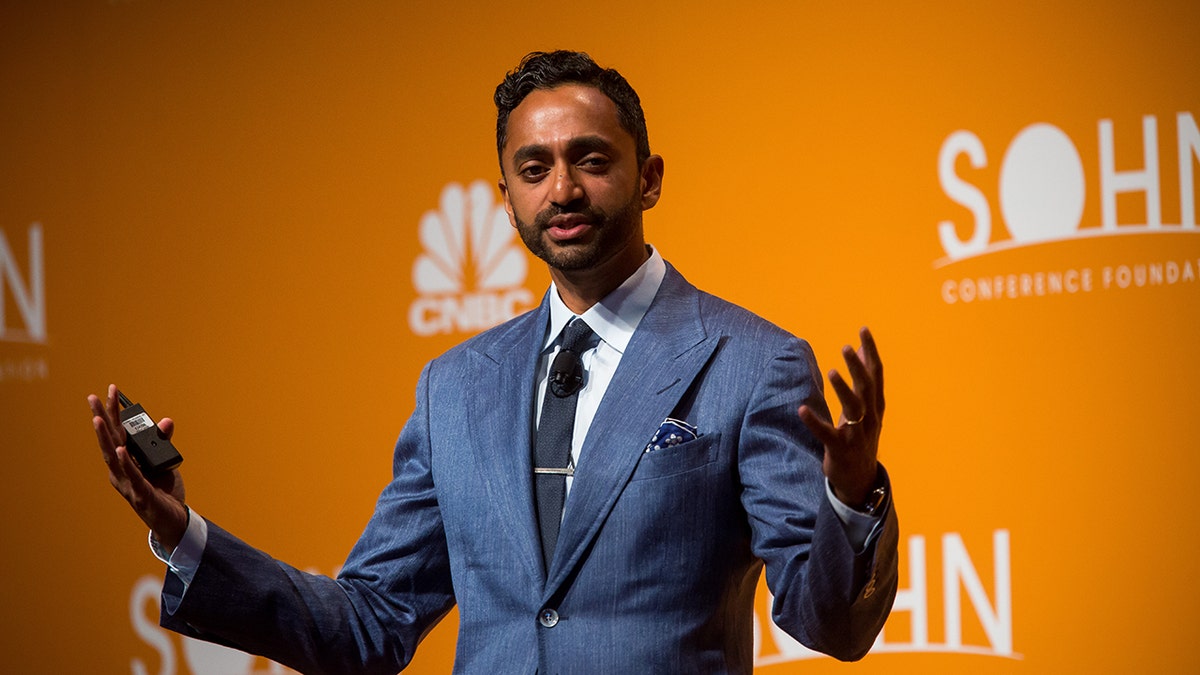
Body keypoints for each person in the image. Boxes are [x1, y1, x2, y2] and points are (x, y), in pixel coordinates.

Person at [89, 50, 897, 674]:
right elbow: (369, 624)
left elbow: (829, 622)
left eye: (592, 159)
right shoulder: (457, 387)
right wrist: (185, 535)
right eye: (534, 168)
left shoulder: (751, 361)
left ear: (648, 178)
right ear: (506, 197)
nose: (563, 190)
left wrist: (850, 497)